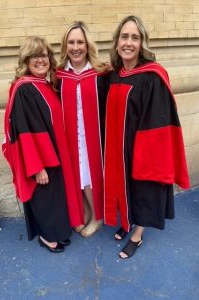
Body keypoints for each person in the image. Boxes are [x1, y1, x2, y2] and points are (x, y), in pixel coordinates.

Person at [104, 15, 190, 259]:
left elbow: (159, 120)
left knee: (142, 188)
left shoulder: (152, 76)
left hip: (142, 148)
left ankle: (137, 235)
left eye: (135, 37)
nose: (129, 42)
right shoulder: (112, 74)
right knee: (123, 187)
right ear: (116, 42)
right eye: (124, 37)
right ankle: (127, 220)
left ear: (142, 43)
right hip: (116, 148)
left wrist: (141, 150)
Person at [2, 36, 82, 253]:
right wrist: (37, 167)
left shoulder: (45, 85)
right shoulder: (25, 89)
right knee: (45, 198)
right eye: (34, 56)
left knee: (54, 198)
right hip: (41, 159)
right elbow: (25, 132)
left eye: (44, 55)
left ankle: (55, 232)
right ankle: (47, 237)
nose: (40, 60)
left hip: (54, 154)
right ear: (26, 60)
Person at [56, 21, 109, 237]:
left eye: (80, 42)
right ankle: (86, 212)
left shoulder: (101, 74)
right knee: (76, 174)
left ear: (88, 45)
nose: (76, 47)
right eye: (71, 42)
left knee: (88, 173)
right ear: (65, 46)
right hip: (70, 136)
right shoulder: (58, 76)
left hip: (93, 138)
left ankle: (98, 216)